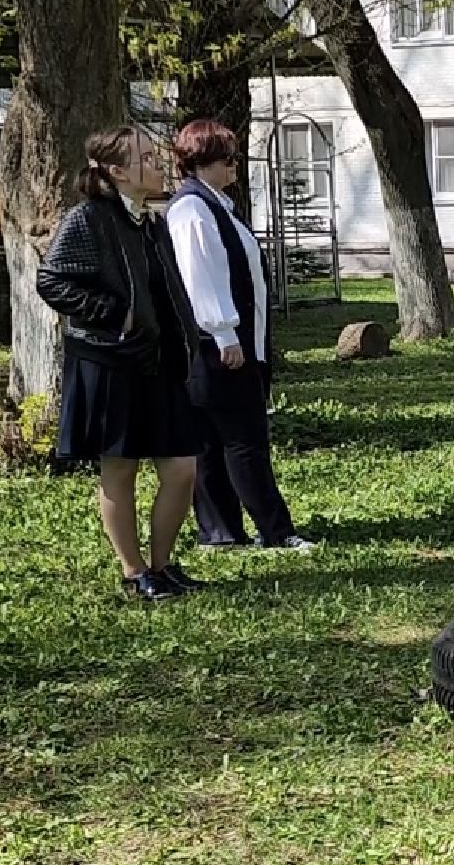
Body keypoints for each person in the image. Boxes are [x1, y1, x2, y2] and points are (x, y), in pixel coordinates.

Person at [37, 125, 205, 601]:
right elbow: (51, 281)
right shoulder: (89, 218)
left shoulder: (149, 221)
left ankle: (162, 565)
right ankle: (135, 573)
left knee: (181, 470)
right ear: (116, 172)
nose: (157, 164)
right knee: (121, 470)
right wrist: (115, 314)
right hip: (111, 362)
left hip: (158, 362)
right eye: (146, 158)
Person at [166, 118, 314, 553]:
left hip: (225, 340)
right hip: (218, 344)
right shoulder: (193, 210)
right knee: (242, 439)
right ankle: (276, 530)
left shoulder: (214, 206)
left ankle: (221, 531)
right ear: (202, 161)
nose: (235, 165)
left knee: (213, 441)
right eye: (227, 157)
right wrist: (225, 332)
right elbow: (200, 276)